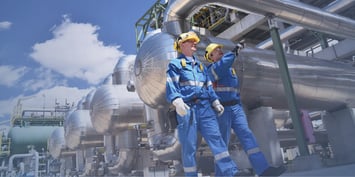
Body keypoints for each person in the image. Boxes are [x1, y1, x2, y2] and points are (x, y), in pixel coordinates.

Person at [205, 43, 287, 176]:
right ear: (210, 56)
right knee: (222, 145)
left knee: (248, 137)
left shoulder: (230, 70)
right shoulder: (212, 69)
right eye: (216, 50)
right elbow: (222, 66)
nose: (220, 51)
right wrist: (234, 52)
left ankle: (263, 170)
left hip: (236, 108)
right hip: (222, 110)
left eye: (220, 48)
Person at [166, 31, 239, 177]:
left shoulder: (200, 66)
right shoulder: (175, 65)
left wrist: (215, 101)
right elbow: (171, 84)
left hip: (205, 108)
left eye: (195, 41)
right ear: (182, 45)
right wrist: (177, 100)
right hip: (187, 108)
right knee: (189, 147)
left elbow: (208, 86)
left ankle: (231, 172)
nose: (195, 44)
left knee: (216, 139)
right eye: (191, 42)